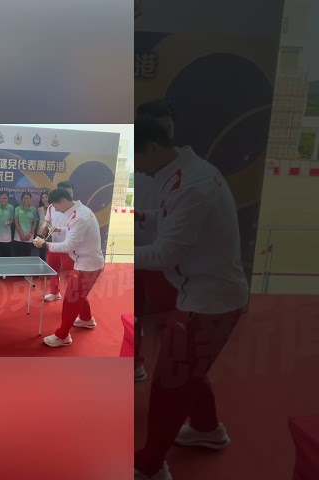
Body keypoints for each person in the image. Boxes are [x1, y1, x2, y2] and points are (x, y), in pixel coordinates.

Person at [132, 117, 249, 480]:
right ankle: (206, 429)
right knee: (188, 371)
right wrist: (143, 216)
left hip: (208, 302)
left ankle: (149, 466)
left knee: (169, 383)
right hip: (203, 294)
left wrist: (116, 254)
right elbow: (171, 216)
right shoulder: (186, 171)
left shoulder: (191, 185)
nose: (136, 167)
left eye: (136, 158)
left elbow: (165, 254)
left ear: (152, 147)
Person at [134, 100, 179, 383]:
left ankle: (172, 371)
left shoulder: (181, 169)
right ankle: (134, 363)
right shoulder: (132, 161)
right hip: (134, 253)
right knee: (131, 315)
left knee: (168, 321)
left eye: (168, 128)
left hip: (164, 257)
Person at [33, 188, 104, 347]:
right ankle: (86, 320)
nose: (55, 209)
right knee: (79, 294)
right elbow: (74, 231)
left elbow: (69, 245)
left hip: (88, 265)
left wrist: (44, 244)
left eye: (56, 206)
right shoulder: (78, 211)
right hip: (85, 262)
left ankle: (63, 336)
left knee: (71, 298)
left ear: (64, 201)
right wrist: (60, 229)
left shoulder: (80, 216)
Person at [39, 181, 75, 301]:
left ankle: (71, 296)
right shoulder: (51, 207)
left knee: (70, 273)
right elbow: (47, 220)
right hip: (54, 244)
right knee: (53, 269)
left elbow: (74, 228)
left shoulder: (76, 209)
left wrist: (59, 229)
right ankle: (55, 292)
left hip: (68, 246)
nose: (70, 194)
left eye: (71, 192)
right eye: (67, 192)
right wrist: (44, 226)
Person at [13, 192, 37, 256]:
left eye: (28, 198)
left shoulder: (34, 209)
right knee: (18, 255)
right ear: (21, 199)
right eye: (24, 198)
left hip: (29, 236)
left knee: (27, 255)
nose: (26, 200)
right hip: (18, 236)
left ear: (30, 199)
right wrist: (21, 235)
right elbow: (16, 222)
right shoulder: (17, 209)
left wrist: (29, 235)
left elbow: (34, 223)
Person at [36, 191, 50, 261]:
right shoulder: (39, 209)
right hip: (41, 232)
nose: (45, 199)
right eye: (43, 198)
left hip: (50, 232)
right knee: (41, 252)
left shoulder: (54, 208)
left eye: (46, 197)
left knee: (49, 251)